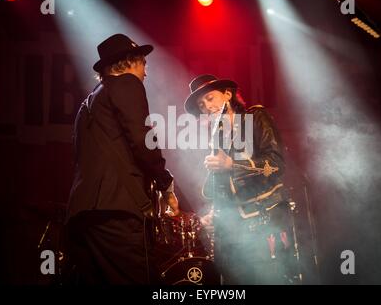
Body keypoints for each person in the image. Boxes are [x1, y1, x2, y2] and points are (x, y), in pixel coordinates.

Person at [64, 34, 180, 284]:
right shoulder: (127, 83)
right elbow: (142, 140)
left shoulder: (91, 101)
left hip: (86, 212)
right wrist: (166, 183)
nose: (146, 73)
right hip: (116, 208)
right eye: (143, 64)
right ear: (129, 62)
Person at [184, 74, 295, 284]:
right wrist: (214, 213)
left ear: (227, 94)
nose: (207, 107)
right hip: (233, 229)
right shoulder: (217, 138)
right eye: (201, 105)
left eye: (210, 98)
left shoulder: (255, 116)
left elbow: (276, 163)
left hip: (265, 218)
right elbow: (223, 187)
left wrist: (232, 165)